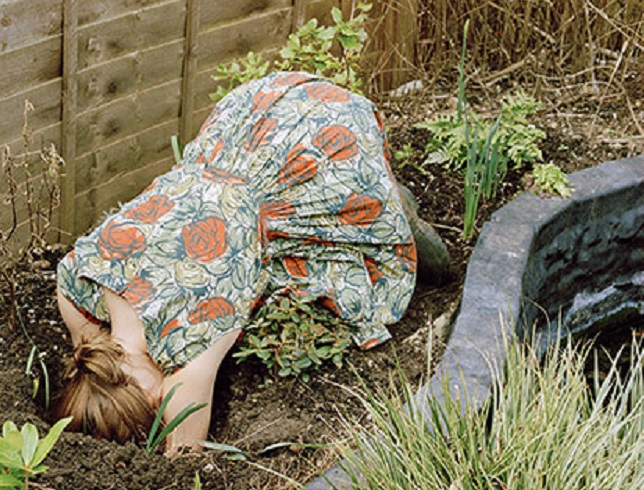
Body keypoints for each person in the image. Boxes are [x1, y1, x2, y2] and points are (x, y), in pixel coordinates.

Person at [53, 71, 438, 453]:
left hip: (313, 156)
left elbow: (185, 452)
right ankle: (382, 194)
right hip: (252, 125)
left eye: (151, 406)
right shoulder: (78, 280)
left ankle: (398, 213)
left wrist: (170, 419)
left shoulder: (189, 334)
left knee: (370, 258)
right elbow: (91, 346)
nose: (159, 405)